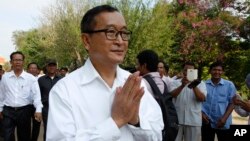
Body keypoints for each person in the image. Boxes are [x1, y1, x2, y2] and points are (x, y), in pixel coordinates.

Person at [46, 5, 163, 141]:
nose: (120, 41)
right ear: (87, 40)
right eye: (111, 32)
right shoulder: (65, 90)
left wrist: (135, 121)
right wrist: (116, 122)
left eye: (124, 33)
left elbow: (157, 136)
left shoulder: (136, 84)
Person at [136, 49, 178, 141]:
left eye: (138, 64)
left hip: (150, 128)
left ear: (144, 65)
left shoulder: (142, 83)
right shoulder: (162, 81)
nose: (137, 67)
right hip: (164, 126)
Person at [0, 51, 43, 141]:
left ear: (23, 62)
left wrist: (38, 110)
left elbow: (36, 96)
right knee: (7, 137)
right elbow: (2, 95)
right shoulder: (5, 77)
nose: (17, 62)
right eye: (15, 60)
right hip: (8, 111)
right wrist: (0, 109)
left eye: (20, 60)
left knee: (24, 137)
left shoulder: (30, 78)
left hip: (24, 111)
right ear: (11, 62)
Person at [169, 61, 207, 141]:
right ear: (183, 71)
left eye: (191, 71)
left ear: (195, 72)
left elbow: (202, 98)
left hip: (193, 120)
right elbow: (172, 95)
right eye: (186, 70)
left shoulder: (201, 84)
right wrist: (182, 85)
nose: (187, 72)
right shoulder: (175, 82)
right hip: (177, 120)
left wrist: (194, 85)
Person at [202, 61, 236, 141]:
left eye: (219, 70)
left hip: (223, 122)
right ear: (210, 71)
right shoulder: (203, 84)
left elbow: (232, 103)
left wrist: (224, 119)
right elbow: (198, 102)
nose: (217, 72)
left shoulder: (229, 85)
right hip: (207, 122)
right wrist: (201, 114)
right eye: (214, 70)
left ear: (222, 72)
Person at [38, 59, 62, 141]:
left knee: (60, 129)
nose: (52, 67)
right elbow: (38, 95)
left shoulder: (62, 79)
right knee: (48, 129)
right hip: (46, 109)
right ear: (47, 67)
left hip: (60, 108)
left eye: (53, 65)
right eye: (50, 65)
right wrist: (39, 110)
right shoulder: (41, 80)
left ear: (56, 67)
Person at [27, 62, 41, 141]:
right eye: (31, 68)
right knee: (26, 125)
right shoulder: (24, 78)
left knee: (36, 125)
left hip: (37, 106)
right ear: (28, 69)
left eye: (34, 68)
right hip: (26, 106)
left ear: (37, 70)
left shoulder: (41, 79)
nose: (33, 69)